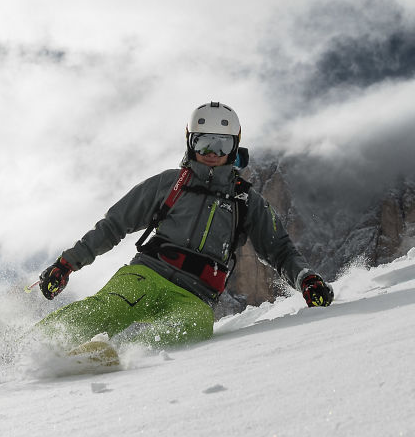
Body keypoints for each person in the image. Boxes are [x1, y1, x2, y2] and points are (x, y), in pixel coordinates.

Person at [35, 101, 333, 350]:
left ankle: (126, 362)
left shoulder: (246, 201)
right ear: (190, 142)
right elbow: (114, 225)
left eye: (221, 144)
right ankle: (34, 349)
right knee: (110, 307)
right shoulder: (170, 183)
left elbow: (279, 250)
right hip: (147, 274)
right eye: (203, 142)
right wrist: (67, 264)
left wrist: (305, 279)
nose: (212, 152)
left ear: (234, 147)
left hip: (196, 296)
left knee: (184, 331)